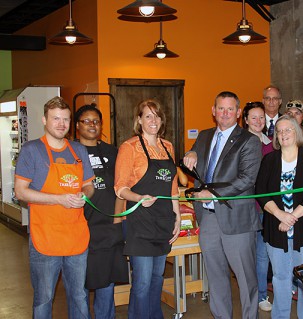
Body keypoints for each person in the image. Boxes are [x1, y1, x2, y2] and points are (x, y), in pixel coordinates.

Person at [183, 91, 262, 319]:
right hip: (208, 219)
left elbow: (247, 179)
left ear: (238, 113)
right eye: (220, 108)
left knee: (246, 278)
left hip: (236, 218)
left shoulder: (249, 140)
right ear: (213, 111)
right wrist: (190, 153)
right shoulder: (204, 136)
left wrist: (213, 193)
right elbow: (196, 163)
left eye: (230, 109)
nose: (225, 114)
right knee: (215, 276)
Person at [14, 96, 95, 318]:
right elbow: (20, 191)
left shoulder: (79, 150)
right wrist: (59, 199)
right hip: (45, 239)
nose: (61, 124)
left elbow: (89, 186)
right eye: (56, 119)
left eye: (66, 119)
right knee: (44, 298)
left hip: (77, 238)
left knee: (79, 296)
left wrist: (83, 194)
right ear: (44, 120)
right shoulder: (32, 150)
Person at [114, 99, 181, 319]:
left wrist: (177, 218)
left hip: (163, 221)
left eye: (157, 116)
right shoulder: (129, 147)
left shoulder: (168, 147)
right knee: (142, 282)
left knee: (157, 279)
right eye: (148, 116)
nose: (153, 120)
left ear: (162, 120)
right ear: (139, 120)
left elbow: (172, 188)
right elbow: (120, 187)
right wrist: (139, 197)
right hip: (139, 221)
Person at [256, 115, 303, 319]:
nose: (283, 134)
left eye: (288, 130)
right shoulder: (269, 159)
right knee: (281, 277)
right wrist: (279, 215)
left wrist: (292, 217)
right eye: (280, 131)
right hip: (276, 229)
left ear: (297, 133)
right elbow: (261, 191)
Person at [75, 104, 129, 319]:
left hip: (108, 227)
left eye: (96, 121)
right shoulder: (70, 152)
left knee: (106, 281)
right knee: (80, 283)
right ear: (77, 126)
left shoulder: (112, 151)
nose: (92, 125)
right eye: (86, 121)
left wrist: (118, 220)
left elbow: (121, 187)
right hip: (79, 227)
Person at [241, 101, 273, 312]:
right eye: (254, 117)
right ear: (245, 120)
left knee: (262, 254)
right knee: (245, 254)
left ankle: (261, 294)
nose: (258, 121)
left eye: (262, 117)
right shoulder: (239, 143)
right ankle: (248, 294)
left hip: (265, 208)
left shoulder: (271, 144)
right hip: (244, 208)